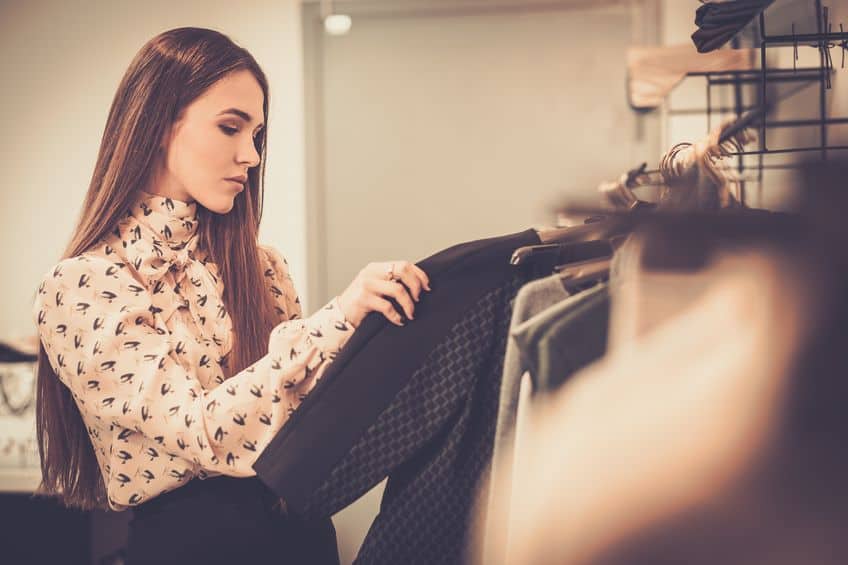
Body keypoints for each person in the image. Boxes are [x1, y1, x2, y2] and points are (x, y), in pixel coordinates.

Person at [31, 27, 430, 565]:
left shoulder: (262, 267)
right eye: (230, 127)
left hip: (304, 538)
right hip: (191, 547)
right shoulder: (81, 285)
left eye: (257, 135)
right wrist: (339, 316)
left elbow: (306, 425)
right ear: (157, 125)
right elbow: (198, 431)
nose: (251, 155)